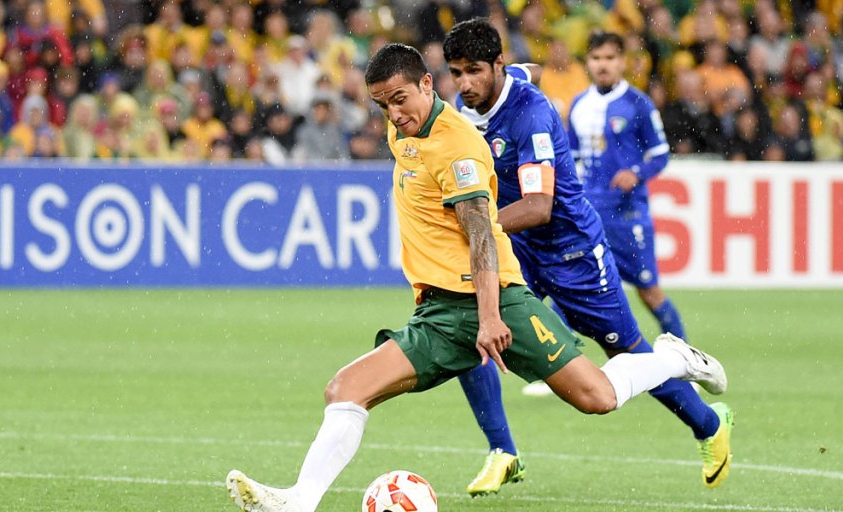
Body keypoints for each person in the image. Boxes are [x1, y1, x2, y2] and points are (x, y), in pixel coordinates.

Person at [225, 43, 728, 512]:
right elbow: (510, 79)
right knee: (345, 389)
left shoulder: (458, 149)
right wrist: (523, 73)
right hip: (439, 314)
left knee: (596, 397)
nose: (394, 114)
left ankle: (672, 357)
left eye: (400, 99)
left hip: (497, 301)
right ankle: (298, 501)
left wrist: (490, 317)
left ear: (427, 85)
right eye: (382, 105)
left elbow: (483, 236)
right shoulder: (404, 127)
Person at [444, 19, 734, 494]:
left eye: (474, 71)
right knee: (476, 330)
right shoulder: (476, 98)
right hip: (517, 250)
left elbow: (538, 207)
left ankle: (707, 422)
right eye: (456, 72)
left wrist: (475, 221)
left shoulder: (532, 116)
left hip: (572, 249)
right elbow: (524, 70)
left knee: (626, 352)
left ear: (495, 65)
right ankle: (503, 450)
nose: (465, 84)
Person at [569, 31, 691, 344]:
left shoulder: (638, 103)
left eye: (609, 58)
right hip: (588, 215)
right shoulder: (579, 105)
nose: (603, 65)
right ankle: (556, 368)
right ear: (588, 63)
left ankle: (686, 360)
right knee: (566, 289)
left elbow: (660, 154)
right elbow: (570, 157)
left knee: (649, 292)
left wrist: (635, 173)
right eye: (596, 59)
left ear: (622, 61)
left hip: (627, 215)